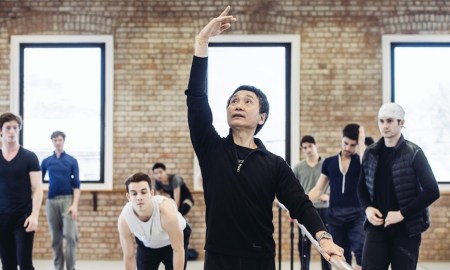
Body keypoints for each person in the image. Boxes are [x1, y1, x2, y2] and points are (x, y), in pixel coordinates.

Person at [185, 6, 344, 270]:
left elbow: (301, 204)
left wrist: (323, 237)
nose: (238, 104)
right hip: (218, 257)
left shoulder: (274, 164)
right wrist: (202, 43)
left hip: (259, 259)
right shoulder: (211, 148)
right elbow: (196, 101)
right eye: (233, 100)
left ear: (262, 117)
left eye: (248, 101)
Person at [358, 102, 440, 270]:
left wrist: (402, 214)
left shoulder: (414, 153)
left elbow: (432, 191)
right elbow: (360, 187)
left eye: (389, 121)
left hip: (406, 230)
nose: (384, 126)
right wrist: (367, 208)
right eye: (381, 121)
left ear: (401, 123)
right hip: (377, 228)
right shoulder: (371, 152)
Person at [308, 124, 366, 270]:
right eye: (346, 143)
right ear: (341, 139)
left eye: (353, 145)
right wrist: (298, 204)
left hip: (356, 215)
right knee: (339, 254)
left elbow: (368, 162)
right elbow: (318, 189)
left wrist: (362, 142)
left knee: (361, 251)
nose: (348, 148)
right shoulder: (329, 163)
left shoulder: (361, 162)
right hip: (335, 215)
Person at [117, 172, 191, 270]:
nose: (139, 197)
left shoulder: (166, 214)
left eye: (143, 192)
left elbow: (178, 250)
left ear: (151, 193)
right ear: (128, 197)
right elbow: (129, 256)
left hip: (171, 242)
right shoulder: (124, 220)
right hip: (147, 243)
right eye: (134, 193)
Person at [0, 112, 43, 270]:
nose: (12, 131)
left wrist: (35, 215)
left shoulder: (29, 157)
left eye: (15, 128)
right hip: (2, 219)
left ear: (19, 130)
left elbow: (38, 188)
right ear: (1, 131)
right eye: (8, 127)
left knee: (25, 265)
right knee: (8, 265)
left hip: (23, 219)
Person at [41, 131, 80, 270]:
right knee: (55, 240)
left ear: (64, 141)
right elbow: (37, 183)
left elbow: (76, 185)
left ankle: (71, 267)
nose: (58, 142)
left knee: (70, 237)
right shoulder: (46, 162)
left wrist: (74, 205)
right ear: (52, 141)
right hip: (51, 202)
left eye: (60, 140)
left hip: (68, 201)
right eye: (55, 140)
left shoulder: (71, 161)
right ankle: (58, 268)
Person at [292, 135, 330, 270]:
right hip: (305, 210)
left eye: (310, 146)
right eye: (305, 148)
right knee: (304, 244)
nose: (308, 150)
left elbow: (335, 186)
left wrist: (329, 196)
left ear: (316, 145)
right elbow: (293, 189)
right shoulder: (298, 168)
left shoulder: (326, 164)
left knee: (325, 243)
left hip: (324, 209)